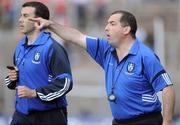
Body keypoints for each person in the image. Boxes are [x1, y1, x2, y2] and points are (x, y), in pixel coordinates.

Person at [30, 10, 175, 125]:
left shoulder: (145, 56)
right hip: (118, 121)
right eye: (107, 23)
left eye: (112, 24)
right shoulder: (106, 49)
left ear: (126, 29)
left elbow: (167, 87)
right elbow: (76, 37)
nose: (106, 28)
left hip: (145, 121)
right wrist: (50, 25)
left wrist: (167, 122)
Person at [4, 2, 73, 125]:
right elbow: (20, 79)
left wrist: (34, 93)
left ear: (38, 21)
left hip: (49, 117)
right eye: (21, 15)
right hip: (21, 115)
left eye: (25, 16)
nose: (20, 20)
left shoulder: (53, 48)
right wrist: (12, 78)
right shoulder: (20, 47)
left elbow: (65, 84)